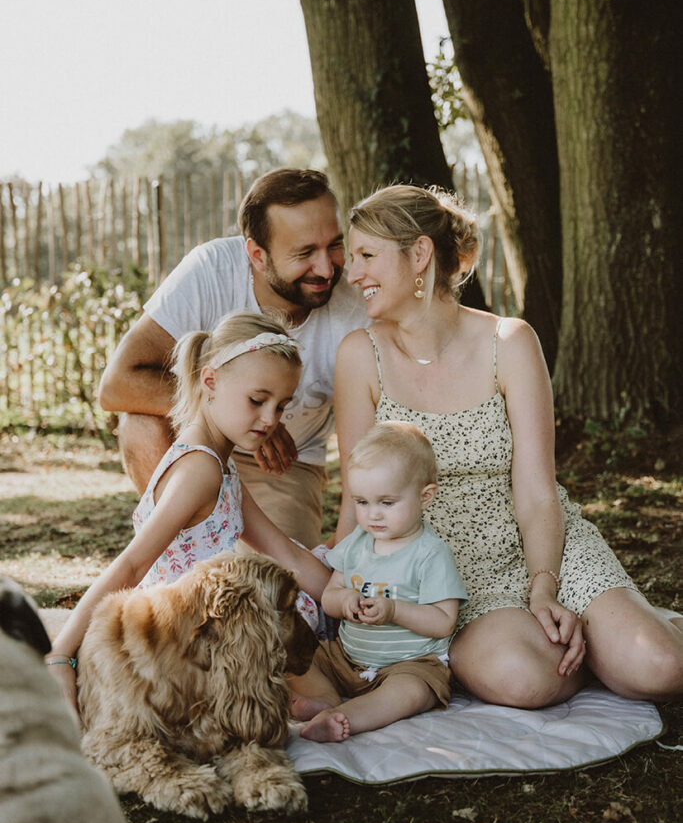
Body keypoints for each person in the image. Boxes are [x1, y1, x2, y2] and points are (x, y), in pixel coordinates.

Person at [333, 184, 683, 708]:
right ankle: (589, 654)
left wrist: (543, 587)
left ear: (420, 255)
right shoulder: (361, 355)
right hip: (445, 575)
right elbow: (355, 499)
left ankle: (628, 634)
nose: (351, 271)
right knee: (523, 679)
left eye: (366, 255)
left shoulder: (509, 343)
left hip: (543, 546)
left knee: (659, 667)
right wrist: (338, 594)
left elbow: (540, 492)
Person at [46, 312, 331, 711]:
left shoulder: (220, 464)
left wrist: (346, 596)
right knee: (326, 688)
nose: (270, 420)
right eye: (257, 400)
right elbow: (131, 563)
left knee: (311, 618)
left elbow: (285, 551)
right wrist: (61, 655)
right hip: (189, 638)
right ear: (210, 381)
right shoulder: (201, 471)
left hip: (211, 624)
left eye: (281, 406)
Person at [98, 168, 367, 549]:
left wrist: (346, 550)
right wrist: (236, 416)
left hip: (285, 465)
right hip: (199, 443)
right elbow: (116, 384)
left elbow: (369, 440)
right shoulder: (210, 270)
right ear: (257, 254)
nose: (327, 269)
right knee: (139, 423)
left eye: (334, 245)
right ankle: (178, 549)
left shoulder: (359, 306)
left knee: (275, 588)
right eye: (305, 253)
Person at [290, 421, 467, 742]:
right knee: (300, 656)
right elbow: (330, 595)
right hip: (346, 657)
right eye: (361, 502)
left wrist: (394, 611)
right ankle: (323, 698)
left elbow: (444, 622)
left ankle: (343, 718)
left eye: (386, 503)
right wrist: (344, 601)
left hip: (410, 664)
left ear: (425, 497)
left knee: (412, 692)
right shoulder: (358, 542)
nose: (373, 515)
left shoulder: (430, 554)